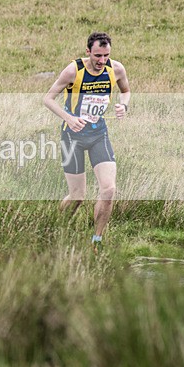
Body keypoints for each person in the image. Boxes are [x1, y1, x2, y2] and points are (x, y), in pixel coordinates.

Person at [43, 32, 131, 252]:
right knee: (77, 197)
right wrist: (69, 118)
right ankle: (56, 228)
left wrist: (124, 106)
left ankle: (96, 241)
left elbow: (126, 91)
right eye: (97, 55)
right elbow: (47, 98)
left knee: (109, 190)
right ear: (88, 51)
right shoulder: (74, 70)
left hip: (98, 135)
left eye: (106, 55)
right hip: (71, 137)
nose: (102, 61)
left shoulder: (116, 69)